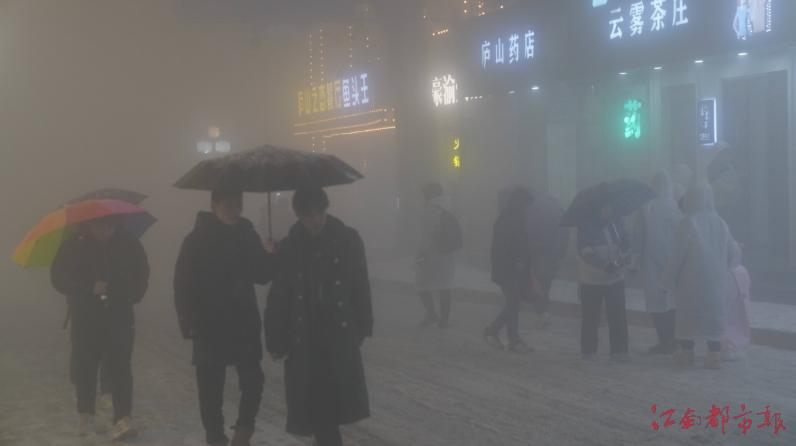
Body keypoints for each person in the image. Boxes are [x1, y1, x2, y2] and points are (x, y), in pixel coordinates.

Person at [265, 187, 372, 446]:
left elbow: (360, 284)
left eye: (319, 213)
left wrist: (362, 325)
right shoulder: (289, 246)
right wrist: (276, 338)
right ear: (299, 215)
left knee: (326, 408)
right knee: (320, 409)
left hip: (336, 334)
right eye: (309, 215)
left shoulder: (347, 240)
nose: (316, 220)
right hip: (304, 337)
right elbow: (280, 296)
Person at [174, 187, 276, 446]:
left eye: (238, 203)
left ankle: (243, 431)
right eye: (228, 204)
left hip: (243, 321)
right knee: (210, 389)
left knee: (253, 381)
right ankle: (215, 437)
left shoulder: (247, 234)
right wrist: (189, 323)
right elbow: (183, 284)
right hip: (208, 324)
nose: (235, 209)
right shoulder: (196, 240)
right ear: (214, 205)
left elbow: (261, 275)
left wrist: (269, 256)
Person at [51, 216, 150, 440]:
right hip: (85, 315)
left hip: (119, 314)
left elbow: (142, 275)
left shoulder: (129, 243)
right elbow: (58, 277)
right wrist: (88, 287)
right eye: (99, 226)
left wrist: (123, 292)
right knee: (86, 365)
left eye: (110, 225)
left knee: (121, 365)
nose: (105, 230)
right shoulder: (73, 244)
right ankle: (85, 413)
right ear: (88, 224)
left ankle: (123, 418)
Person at [663, 181, 737, 370]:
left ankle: (687, 353)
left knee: (688, 317)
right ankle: (714, 355)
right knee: (713, 318)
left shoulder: (688, 222)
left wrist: (667, 280)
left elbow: (676, 255)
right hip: (715, 281)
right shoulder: (720, 222)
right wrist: (724, 268)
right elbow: (733, 251)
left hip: (691, 281)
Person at [631, 171, 683, 354]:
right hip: (674, 263)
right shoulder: (677, 207)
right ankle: (675, 340)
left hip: (651, 264)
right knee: (673, 302)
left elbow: (638, 239)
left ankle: (665, 341)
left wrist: (634, 263)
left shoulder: (646, 208)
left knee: (657, 303)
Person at [576, 202, 631, 362]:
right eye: (604, 207)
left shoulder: (617, 223)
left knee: (618, 315)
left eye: (610, 207)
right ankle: (588, 349)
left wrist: (626, 247)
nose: (608, 210)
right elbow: (585, 251)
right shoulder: (585, 227)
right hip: (592, 279)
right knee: (591, 316)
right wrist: (603, 265)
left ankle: (620, 350)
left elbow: (624, 245)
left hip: (615, 278)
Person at [483, 186, 535, 353]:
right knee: (514, 303)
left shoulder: (514, 218)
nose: (528, 209)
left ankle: (498, 333)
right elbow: (504, 247)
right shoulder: (509, 219)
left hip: (514, 269)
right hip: (509, 269)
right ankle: (509, 338)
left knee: (514, 303)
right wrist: (517, 261)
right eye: (527, 205)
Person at [415, 183, 457, 328]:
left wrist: (420, 257)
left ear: (432, 194)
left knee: (421, 284)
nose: (424, 197)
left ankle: (432, 314)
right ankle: (444, 319)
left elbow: (426, 237)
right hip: (446, 255)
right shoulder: (446, 208)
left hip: (431, 256)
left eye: (425, 194)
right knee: (444, 286)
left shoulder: (431, 210)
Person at [524, 189, 567, 329]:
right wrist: (561, 254)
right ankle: (543, 312)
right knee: (545, 284)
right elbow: (564, 234)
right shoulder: (559, 209)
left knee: (537, 284)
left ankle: (542, 313)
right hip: (553, 254)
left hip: (538, 253)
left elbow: (529, 232)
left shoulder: (534, 208)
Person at [723, 242, 750, 361]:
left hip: (728, 283)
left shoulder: (733, 271)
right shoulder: (742, 271)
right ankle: (731, 344)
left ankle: (727, 345)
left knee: (728, 316)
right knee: (735, 317)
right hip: (736, 290)